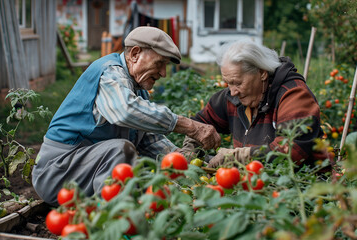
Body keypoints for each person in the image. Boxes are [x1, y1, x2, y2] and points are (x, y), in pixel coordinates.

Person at [32, 26, 221, 206]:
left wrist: (195, 161)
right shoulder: (109, 72)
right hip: (56, 173)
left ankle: (110, 215)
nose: (163, 73)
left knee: (136, 167)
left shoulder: (137, 91)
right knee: (120, 150)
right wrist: (190, 126)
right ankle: (110, 222)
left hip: (80, 172)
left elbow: (151, 141)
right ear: (135, 54)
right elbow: (125, 110)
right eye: (160, 63)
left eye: (166, 66)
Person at [180, 39, 328, 168]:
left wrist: (238, 156)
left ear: (262, 73)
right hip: (256, 186)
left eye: (237, 83)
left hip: (302, 189)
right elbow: (200, 124)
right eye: (228, 83)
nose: (232, 92)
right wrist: (189, 151)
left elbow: (290, 151)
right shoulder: (233, 98)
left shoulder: (293, 95)